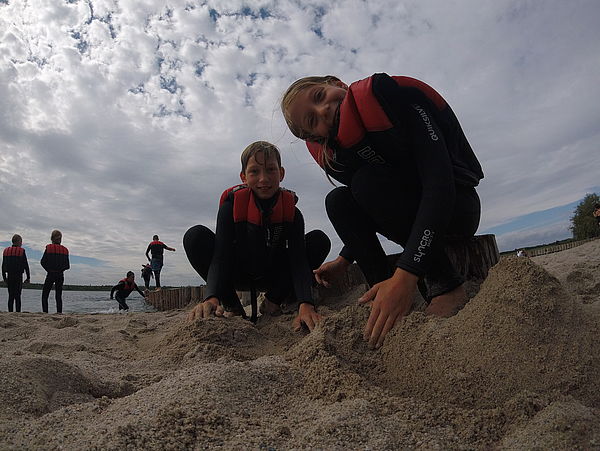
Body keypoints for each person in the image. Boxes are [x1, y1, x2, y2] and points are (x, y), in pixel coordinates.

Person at [281, 73, 484, 348]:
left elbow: (440, 185)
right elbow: (369, 204)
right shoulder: (340, 152)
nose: (323, 110)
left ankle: (447, 285)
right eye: (312, 120)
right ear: (316, 137)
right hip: (414, 221)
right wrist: (344, 259)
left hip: (457, 208)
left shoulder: (390, 99)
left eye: (319, 96)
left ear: (336, 84)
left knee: (366, 183)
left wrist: (408, 273)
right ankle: (382, 291)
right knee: (338, 200)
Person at [183, 141, 331, 331]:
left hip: (273, 275)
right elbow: (221, 256)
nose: (263, 179)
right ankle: (233, 307)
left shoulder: (292, 213)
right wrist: (211, 296)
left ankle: (272, 301)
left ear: (281, 173)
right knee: (194, 237)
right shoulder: (230, 208)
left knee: (319, 240)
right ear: (243, 177)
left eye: (271, 170)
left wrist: (306, 303)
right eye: (254, 172)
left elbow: (298, 260)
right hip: (237, 272)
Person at [41, 229, 70, 313]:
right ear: (60, 239)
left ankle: (45, 313)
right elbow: (67, 266)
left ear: (52, 238)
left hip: (50, 274)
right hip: (60, 275)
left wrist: (49, 270)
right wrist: (60, 270)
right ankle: (59, 313)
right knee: (58, 296)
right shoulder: (65, 250)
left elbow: (42, 262)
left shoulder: (49, 248)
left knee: (45, 295)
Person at [2, 234, 30, 312]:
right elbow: (26, 265)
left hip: (9, 276)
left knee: (10, 296)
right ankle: (18, 312)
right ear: (18, 242)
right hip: (18, 276)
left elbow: (3, 266)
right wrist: (28, 277)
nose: (21, 244)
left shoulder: (6, 251)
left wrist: (4, 278)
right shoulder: (21, 251)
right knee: (17, 296)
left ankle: (10, 312)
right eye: (21, 242)